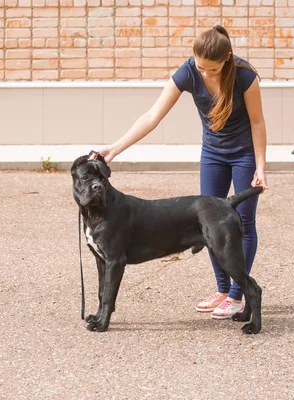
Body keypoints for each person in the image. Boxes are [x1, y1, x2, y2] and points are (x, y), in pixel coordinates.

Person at [99, 25, 269, 319]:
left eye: (211, 69)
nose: (204, 73)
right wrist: (116, 148)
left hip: (243, 155)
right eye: (200, 67)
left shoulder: (244, 76)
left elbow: (257, 122)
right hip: (213, 154)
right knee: (209, 223)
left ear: (227, 59)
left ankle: (237, 296)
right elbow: (153, 116)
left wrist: (261, 166)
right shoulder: (188, 72)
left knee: (243, 221)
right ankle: (221, 289)